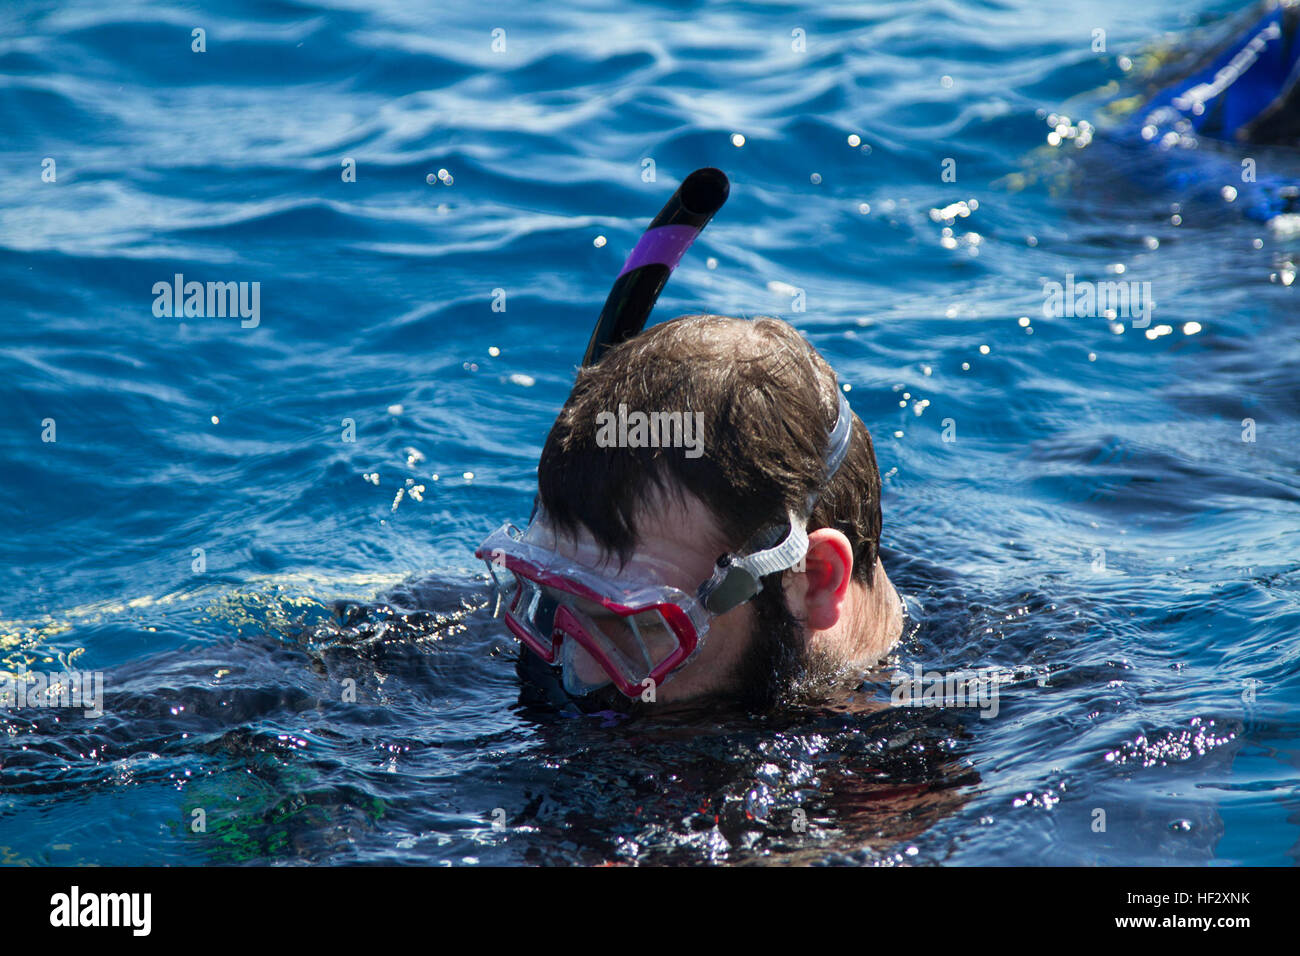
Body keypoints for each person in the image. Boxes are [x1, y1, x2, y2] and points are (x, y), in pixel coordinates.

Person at [477, 312, 903, 713]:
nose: (576, 678)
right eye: (555, 597)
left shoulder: (931, 731)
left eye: (642, 627)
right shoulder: (476, 630)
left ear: (816, 579)